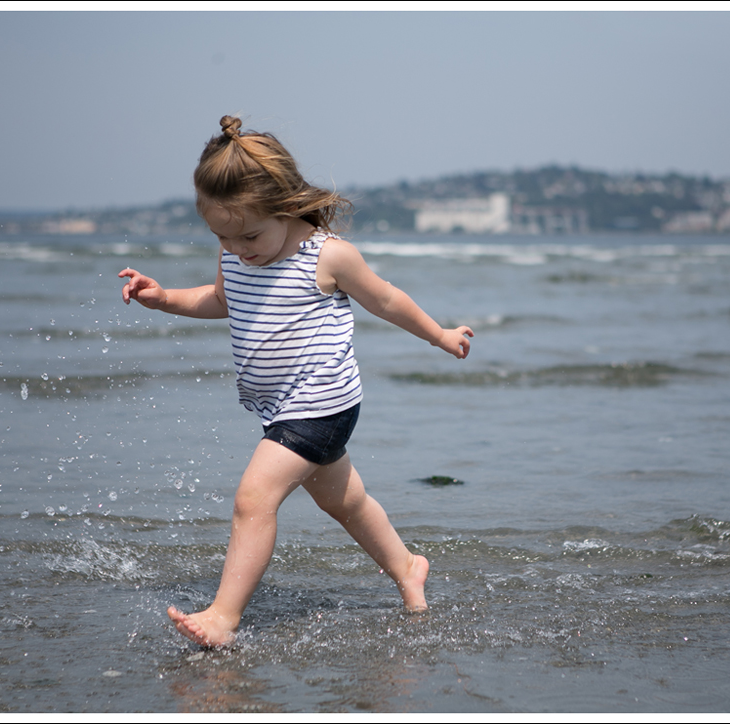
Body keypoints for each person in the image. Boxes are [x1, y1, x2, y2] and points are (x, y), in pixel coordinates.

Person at [118, 116, 473, 647]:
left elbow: (386, 299)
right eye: (223, 236)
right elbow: (221, 300)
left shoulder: (326, 256)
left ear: (284, 205)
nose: (239, 247)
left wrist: (439, 336)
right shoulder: (236, 254)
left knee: (253, 498)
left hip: (321, 403)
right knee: (345, 503)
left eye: (250, 234)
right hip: (279, 407)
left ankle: (224, 617)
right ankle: (407, 568)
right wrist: (165, 297)